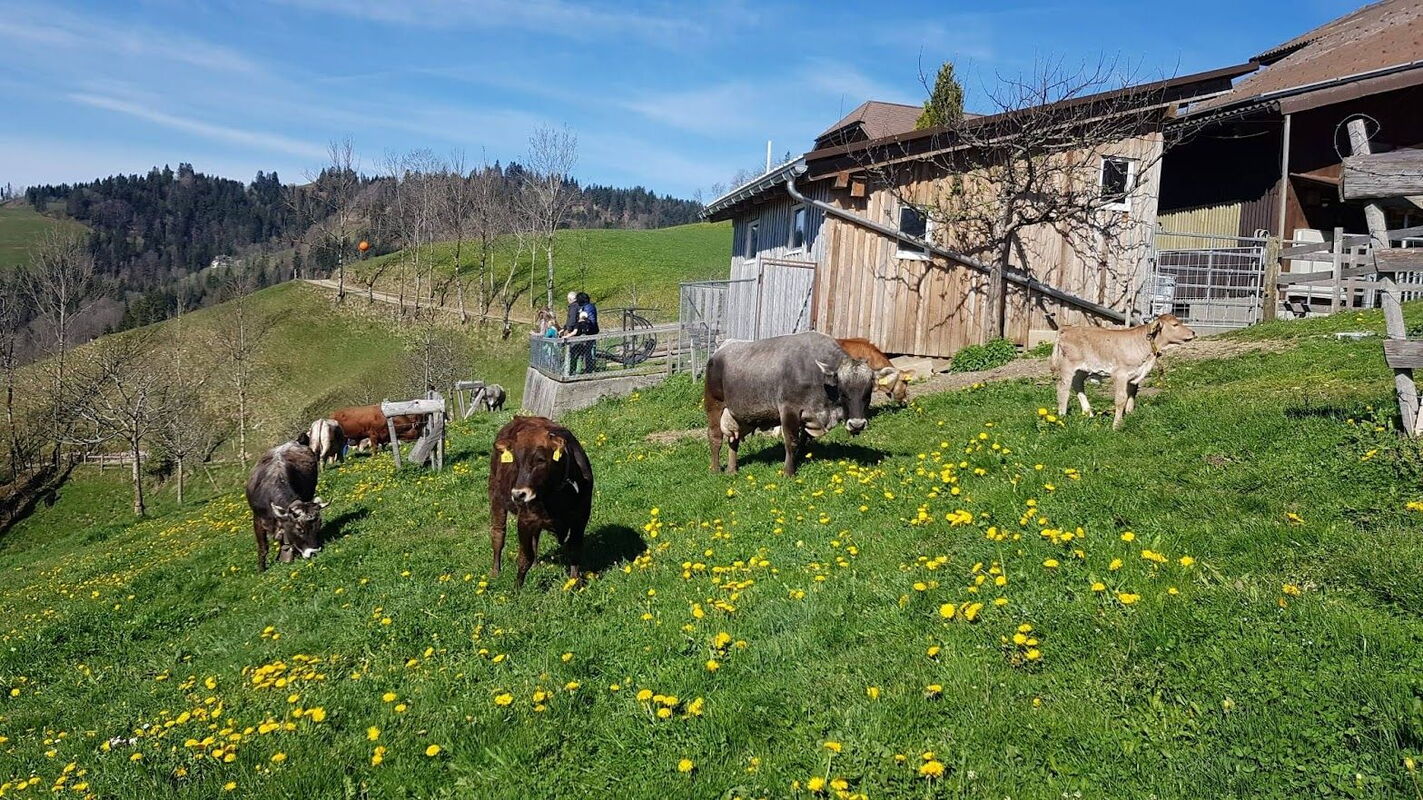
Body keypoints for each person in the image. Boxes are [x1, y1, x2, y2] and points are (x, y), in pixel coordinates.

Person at [560, 291, 599, 373]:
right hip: (590, 331)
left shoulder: (586, 308)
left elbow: (582, 320)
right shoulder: (589, 306)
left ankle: (585, 370)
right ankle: (587, 369)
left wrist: (570, 329)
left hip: (588, 332)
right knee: (587, 352)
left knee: (585, 352)